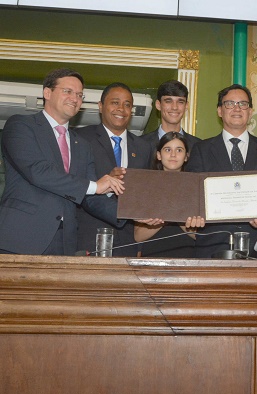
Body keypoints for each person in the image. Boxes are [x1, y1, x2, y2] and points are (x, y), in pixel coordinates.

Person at [0, 68, 125, 255]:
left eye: (80, 94)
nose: (75, 98)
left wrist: (133, 213)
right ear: (47, 93)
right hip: (21, 237)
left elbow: (91, 197)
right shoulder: (21, 126)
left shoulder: (82, 145)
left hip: (65, 243)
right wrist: (95, 186)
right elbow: (38, 171)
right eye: (68, 91)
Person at [185, 84, 257, 258]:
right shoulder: (201, 149)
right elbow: (191, 195)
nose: (237, 108)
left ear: (250, 111)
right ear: (219, 111)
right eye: (229, 104)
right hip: (213, 245)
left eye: (243, 104)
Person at [75, 82, 154, 256]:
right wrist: (105, 185)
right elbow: (76, 186)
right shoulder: (81, 138)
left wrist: (140, 246)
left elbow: (145, 196)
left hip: (128, 242)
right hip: (89, 238)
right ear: (101, 106)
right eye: (115, 102)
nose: (121, 109)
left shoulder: (143, 147)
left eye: (127, 104)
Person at [134, 132, 204, 257]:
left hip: (189, 257)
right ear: (159, 155)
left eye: (179, 150)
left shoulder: (196, 187)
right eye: (167, 150)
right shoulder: (146, 187)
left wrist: (175, 213)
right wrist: (166, 214)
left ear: (186, 156)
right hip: (153, 256)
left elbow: (199, 236)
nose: (173, 155)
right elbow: (138, 236)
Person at [141, 80, 200, 156]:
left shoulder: (198, 147)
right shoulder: (140, 144)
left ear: (186, 106)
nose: (174, 107)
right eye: (168, 101)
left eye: (180, 102)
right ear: (158, 105)